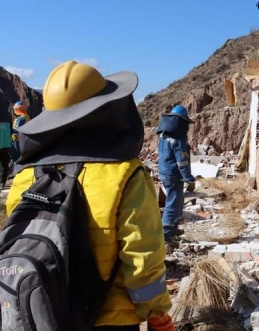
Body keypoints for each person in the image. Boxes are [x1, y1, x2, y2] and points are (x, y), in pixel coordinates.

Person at [6, 60, 174, 331]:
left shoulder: (26, 176)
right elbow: (142, 258)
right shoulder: (126, 175)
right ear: (105, 111)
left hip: (45, 311)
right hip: (110, 319)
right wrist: (156, 313)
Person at [156, 105, 196, 249]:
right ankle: (166, 235)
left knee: (176, 201)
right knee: (172, 204)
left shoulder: (162, 135)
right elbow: (182, 161)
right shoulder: (178, 139)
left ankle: (173, 229)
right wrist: (188, 177)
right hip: (174, 174)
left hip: (164, 172)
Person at [0, 110, 11, 189]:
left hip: (4, 145)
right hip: (6, 144)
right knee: (5, 164)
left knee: (4, 165)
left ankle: (2, 182)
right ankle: (2, 182)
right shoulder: (8, 118)